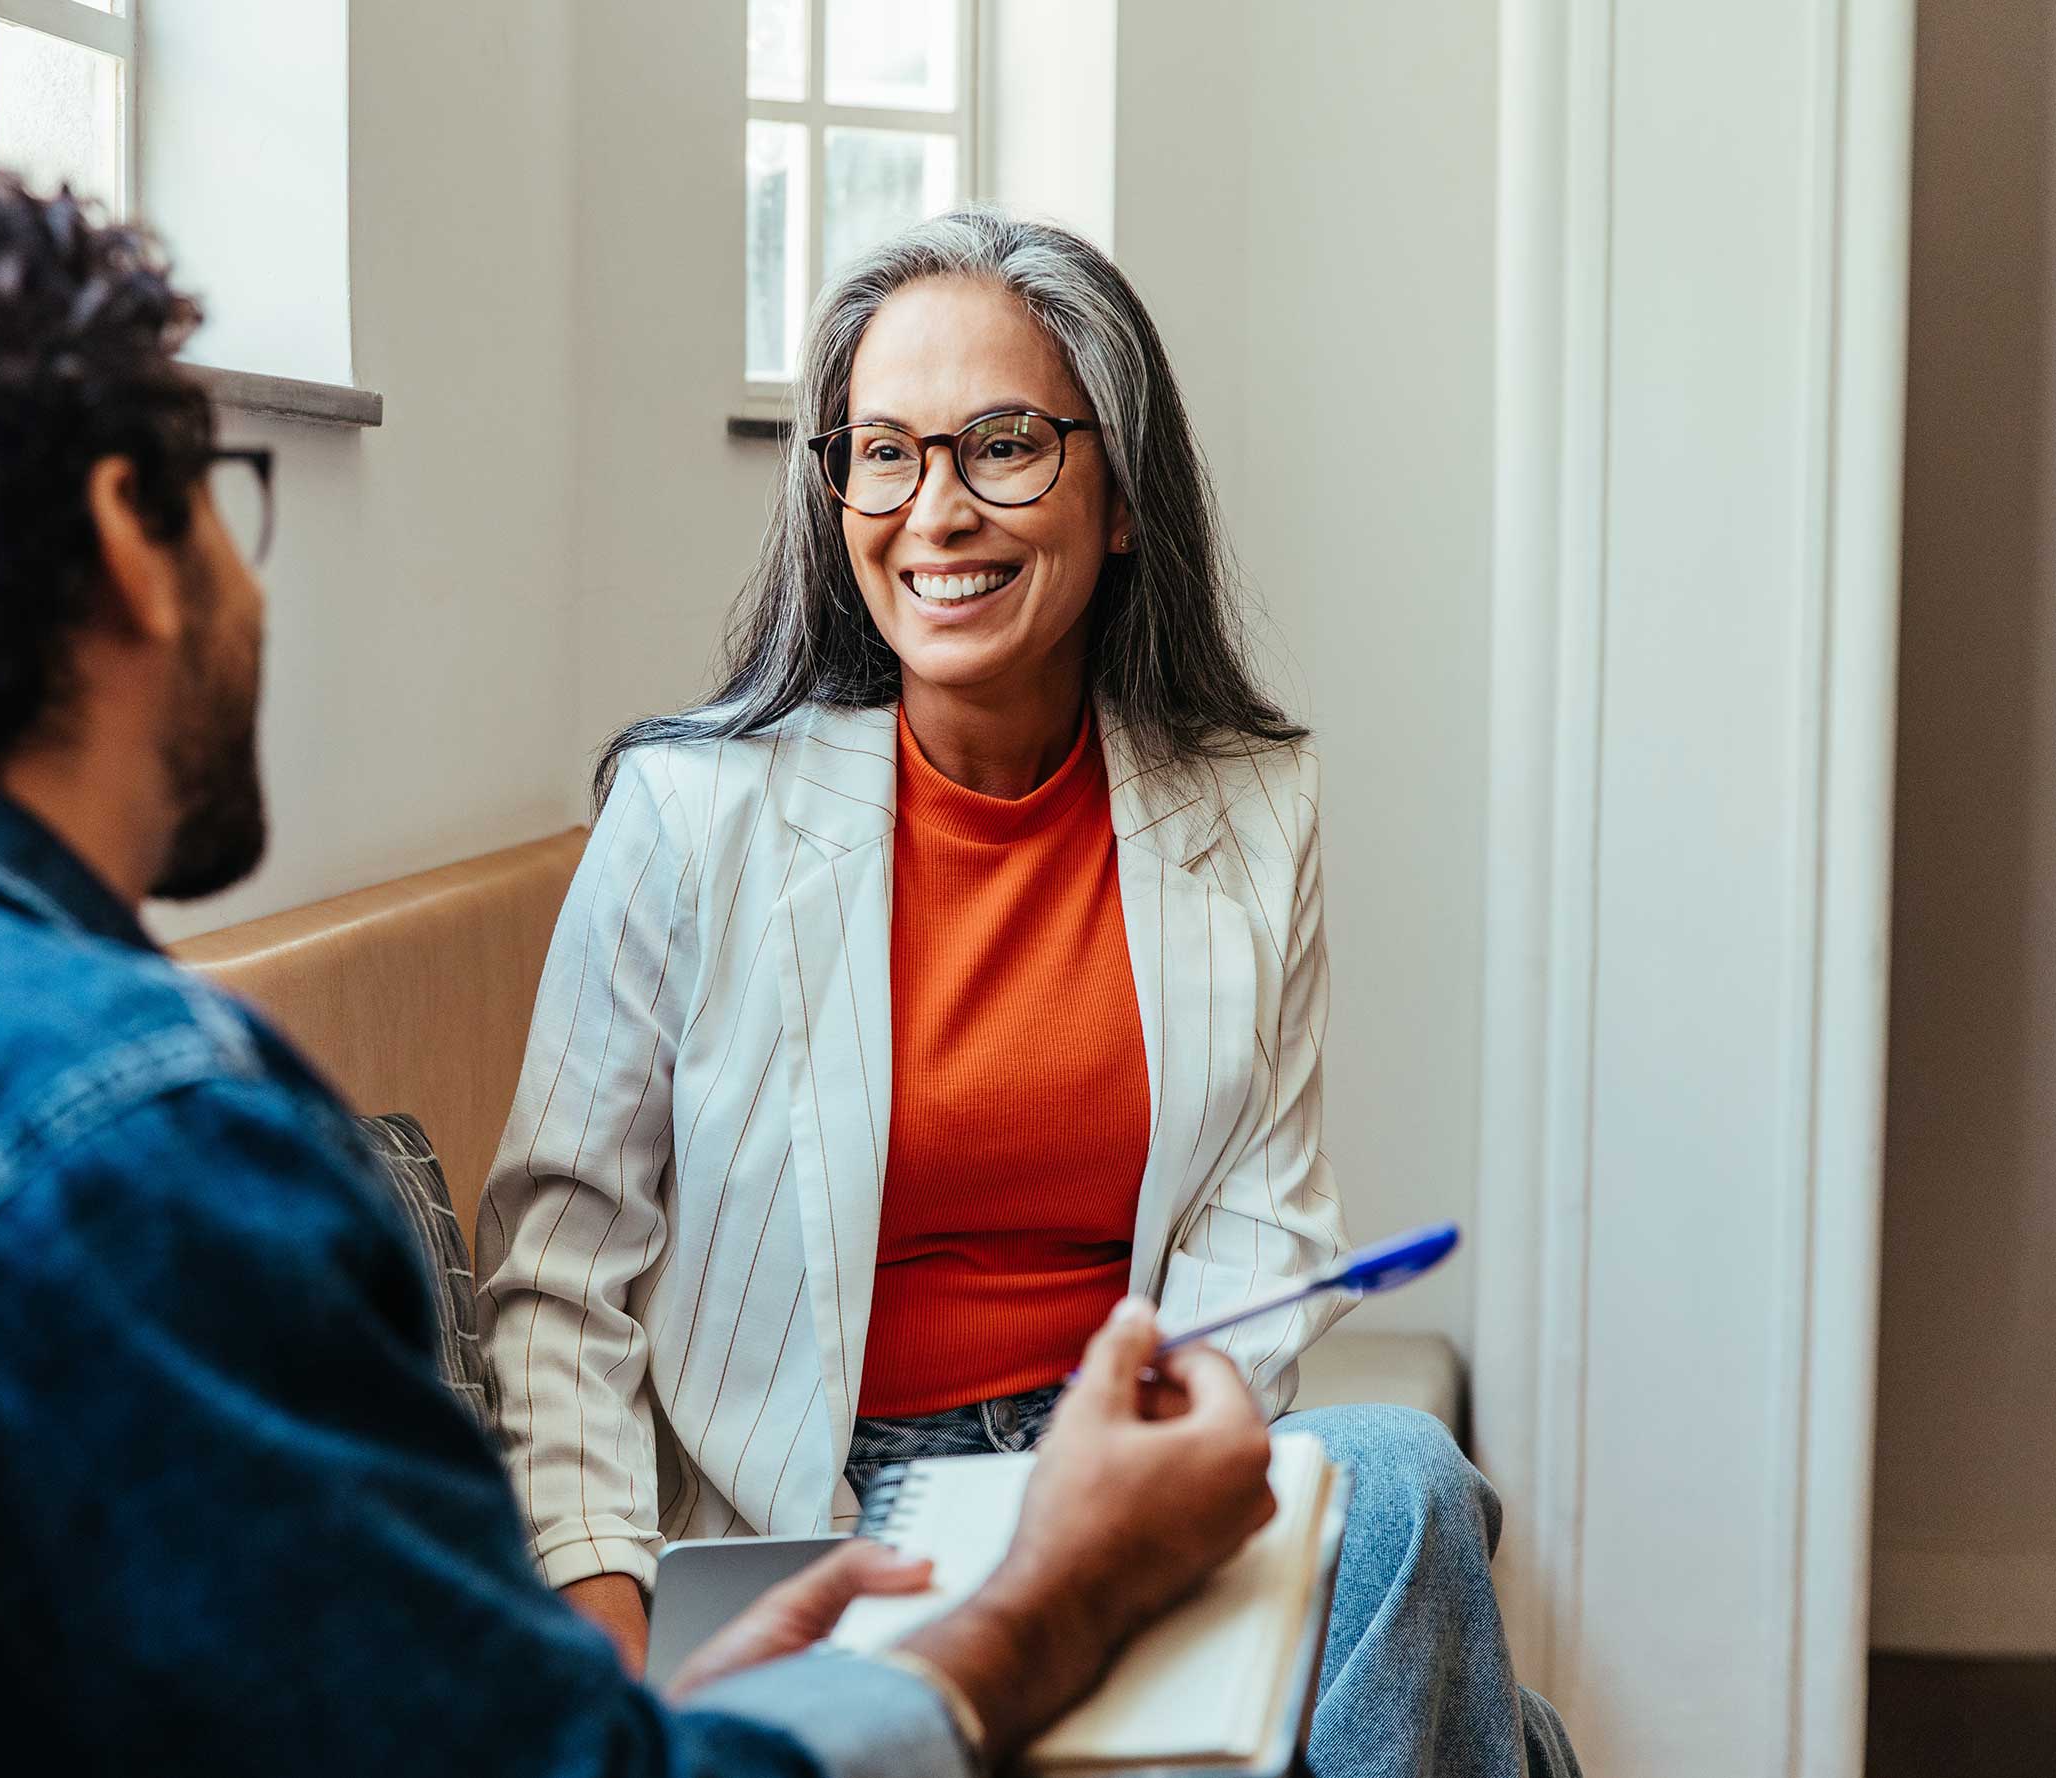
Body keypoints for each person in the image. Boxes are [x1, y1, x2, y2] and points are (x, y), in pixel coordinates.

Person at [0, 164, 1290, 1778]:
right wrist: (1041, 1606)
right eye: (220, 492)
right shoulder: (127, 1155)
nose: (249, 580)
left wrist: (671, 1708)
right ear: (126, 546)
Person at [476, 210, 1581, 1778]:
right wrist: (610, 1648)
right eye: (886, 452)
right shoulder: (689, 816)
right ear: (836, 489)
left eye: (1003, 445)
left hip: (1119, 1461)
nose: (936, 512)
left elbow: (1262, 1224)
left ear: (1121, 494)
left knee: (1400, 1478)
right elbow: (559, 1275)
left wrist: (1109, 1511)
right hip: (825, 1531)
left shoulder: (1254, 810)